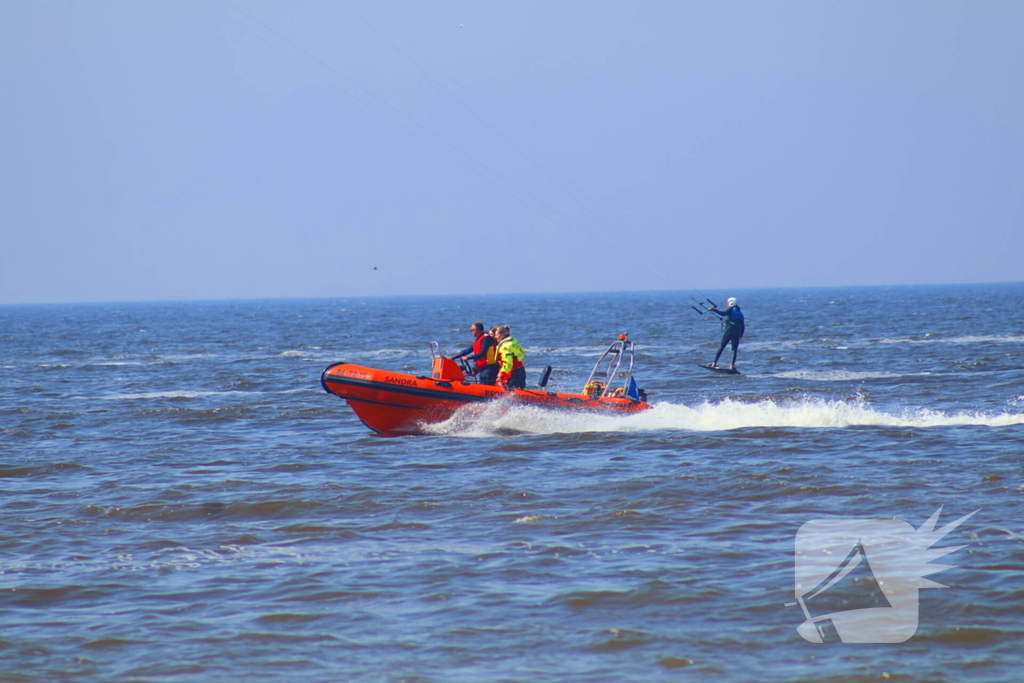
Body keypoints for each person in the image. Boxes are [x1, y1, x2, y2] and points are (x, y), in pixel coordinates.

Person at [709, 297, 745, 370]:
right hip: (737, 333)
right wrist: (740, 336)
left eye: (728, 303)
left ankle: (714, 363)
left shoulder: (731, 309)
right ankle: (732, 366)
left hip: (729, 331)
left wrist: (714, 310)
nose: (727, 304)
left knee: (721, 347)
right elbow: (743, 326)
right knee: (734, 350)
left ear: (731, 303)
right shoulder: (740, 313)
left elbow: (723, 314)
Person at [494, 325, 527, 391]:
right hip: (521, 369)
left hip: (513, 372)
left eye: (497, 335)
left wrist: (501, 375)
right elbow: (523, 352)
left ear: (502, 335)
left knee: (509, 390)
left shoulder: (504, 346)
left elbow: (508, 362)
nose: (495, 337)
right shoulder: (513, 341)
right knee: (520, 390)